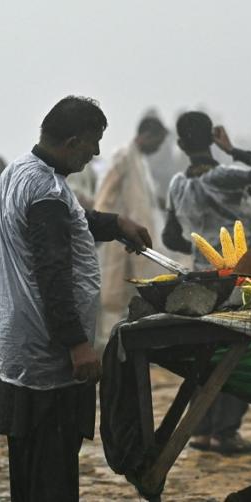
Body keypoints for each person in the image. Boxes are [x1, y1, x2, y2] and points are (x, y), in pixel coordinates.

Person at [0, 96, 152, 501]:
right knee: (52, 469)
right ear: (74, 141)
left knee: (29, 464)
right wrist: (78, 345)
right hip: (47, 350)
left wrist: (116, 224)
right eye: (93, 143)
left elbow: (74, 221)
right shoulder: (46, 191)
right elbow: (53, 274)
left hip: (19, 344)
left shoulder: (21, 172)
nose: (95, 152)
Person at [162, 111, 251, 454]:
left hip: (200, 281)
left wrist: (198, 243)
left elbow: (170, 236)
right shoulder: (223, 177)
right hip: (237, 279)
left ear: (181, 144)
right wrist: (233, 150)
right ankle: (225, 433)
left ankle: (201, 430)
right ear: (211, 139)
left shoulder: (176, 185)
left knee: (207, 356)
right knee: (237, 355)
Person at [92, 115, 169, 346]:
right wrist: (102, 226)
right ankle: (109, 346)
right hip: (118, 239)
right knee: (113, 294)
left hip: (136, 240)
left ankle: (133, 344)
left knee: (136, 292)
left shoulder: (140, 160)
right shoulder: (124, 155)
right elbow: (105, 194)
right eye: (157, 142)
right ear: (147, 136)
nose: (157, 148)